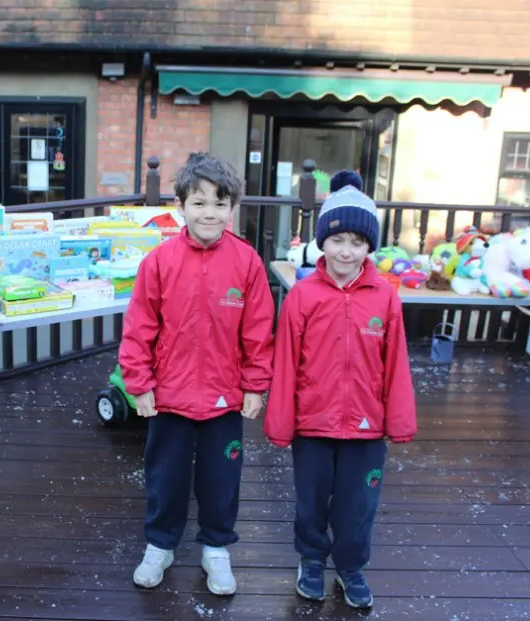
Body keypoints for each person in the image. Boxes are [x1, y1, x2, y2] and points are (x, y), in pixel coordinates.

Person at [119, 152, 275, 596]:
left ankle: (216, 548)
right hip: (169, 395)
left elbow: (258, 330)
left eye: (220, 203)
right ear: (181, 206)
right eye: (199, 202)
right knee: (165, 474)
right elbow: (139, 328)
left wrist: (255, 384)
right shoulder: (159, 262)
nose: (210, 213)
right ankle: (160, 544)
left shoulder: (246, 263)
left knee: (221, 476)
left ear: (232, 208)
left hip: (225, 397)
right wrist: (140, 384)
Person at [263, 170, 417, 609]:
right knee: (311, 501)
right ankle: (311, 559)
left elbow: (396, 365)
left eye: (356, 241)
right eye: (337, 240)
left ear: (370, 246)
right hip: (313, 423)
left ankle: (351, 566)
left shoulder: (384, 298)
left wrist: (398, 420)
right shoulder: (303, 296)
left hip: (367, 428)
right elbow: (287, 363)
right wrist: (281, 423)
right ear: (321, 244)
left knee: (357, 506)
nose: (346, 251)